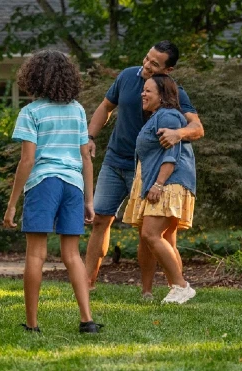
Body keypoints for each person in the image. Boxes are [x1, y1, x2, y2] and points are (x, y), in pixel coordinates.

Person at [84, 41, 204, 298]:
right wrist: (90, 137)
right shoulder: (127, 76)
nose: (146, 65)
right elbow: (106, 107)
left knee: (151, 231)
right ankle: (87, 283)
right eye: (147, 58)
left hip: (147, 169)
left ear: (168, 69)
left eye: (154, 64)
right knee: (100, 220)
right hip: (115, 161)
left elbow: (197, 128)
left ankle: (152, 290)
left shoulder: (174, 94)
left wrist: (178, 133)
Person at [3, 50, 102, 333]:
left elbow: (28, 161)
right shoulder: (77, 110)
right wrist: (89, 200)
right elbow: (86, 157)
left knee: (36, 254)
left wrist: (12, 204)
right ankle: (87, 321)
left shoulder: (31, 112)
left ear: (33, 77)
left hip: (44, 183)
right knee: (72, 255)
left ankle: (32, 325)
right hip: (73, 184)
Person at [122, 74, 197, 304]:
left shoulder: (168, 116)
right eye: (143, 90)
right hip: (167, 181)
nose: (142, 94)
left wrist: (157, 184)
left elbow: (171, 154)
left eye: (148, 91)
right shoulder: (158, 116)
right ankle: (177, 288)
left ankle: (181, 286)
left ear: (162, 95)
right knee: (159, 236)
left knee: (150, 234)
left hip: (170, 182)